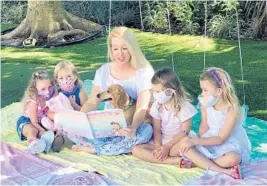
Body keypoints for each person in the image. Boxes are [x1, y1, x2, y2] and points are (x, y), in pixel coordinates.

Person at [69, 26, 154, 155]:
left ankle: (96, 148)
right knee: (72, 132)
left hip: (134, 126)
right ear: (111, 49)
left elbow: (141, 108)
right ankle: (108, 147)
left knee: (146, 131)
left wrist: (133, 127)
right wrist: (80, 121)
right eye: (115, 49)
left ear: (132, 48)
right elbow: (92, 102)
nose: (120, 53)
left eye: (125, 48)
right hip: (108, 126)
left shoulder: (144, 72)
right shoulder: (103, 71)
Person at [175, 67, 251, 179]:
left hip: (228, 140)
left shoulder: (232, 109)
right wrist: (199, 143)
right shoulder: (205, 104)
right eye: (202, 89)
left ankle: (199, 162)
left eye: (205, 90)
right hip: (210, 137)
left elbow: (221, 138)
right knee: (184, 144)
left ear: (218, 91)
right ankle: (223, 170)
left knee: (232, 159)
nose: (202, 93)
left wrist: (195, 142)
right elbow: (204, 126)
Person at [132, 67, 197, 168]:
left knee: (184, 145)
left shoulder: (185, 107)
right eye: (154, 91)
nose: (156, 95)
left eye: (158, 91)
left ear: (170, 90)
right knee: (136, 150)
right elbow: (157, 130)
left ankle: (166, 156)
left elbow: (185, 132)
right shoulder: (157, 106)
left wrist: (167, 147)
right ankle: (174, 161)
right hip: (162, 140)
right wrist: (159, 148)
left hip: (177, 141)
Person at [16, 70, 55, 154]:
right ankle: (33, 143)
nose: (48, 91)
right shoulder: (33, 101)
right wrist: (42, 130)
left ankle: (44, 143)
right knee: (33, 130)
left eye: (49, 87)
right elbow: (33, 121)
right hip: (27, 121)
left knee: (46, 131)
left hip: (40, 121)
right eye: (43, 89)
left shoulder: (50, 94)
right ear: (35, 89)